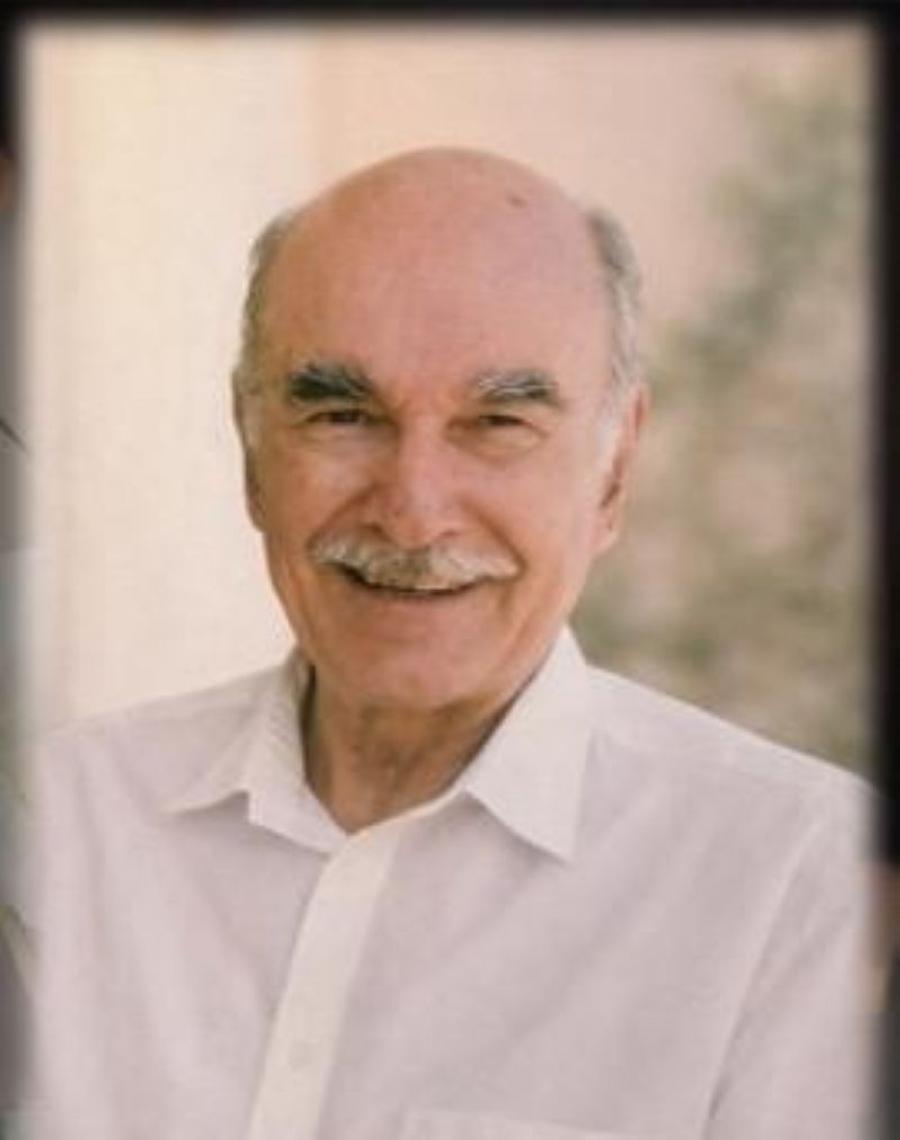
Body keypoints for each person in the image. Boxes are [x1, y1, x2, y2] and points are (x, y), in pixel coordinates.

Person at [29, 148, 872, 1140]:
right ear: (253, 453)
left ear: (614, 469)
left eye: (498, 423)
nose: (414, 513)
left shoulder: (802, 884)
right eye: (342, 415)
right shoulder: (59, 820)